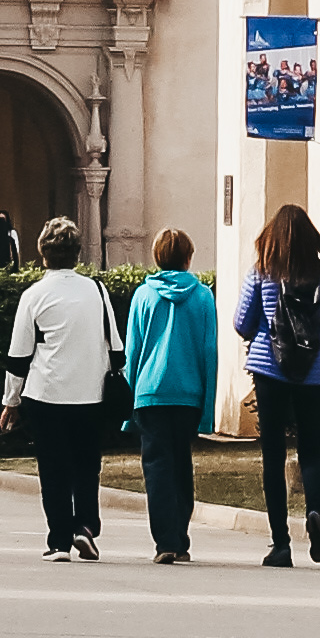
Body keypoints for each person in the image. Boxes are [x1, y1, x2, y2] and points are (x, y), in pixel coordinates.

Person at [0, 214, 119, 562]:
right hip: (91, 393)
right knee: (86, 465)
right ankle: (86, 527)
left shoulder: (34, 295)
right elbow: (117, 349)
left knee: (53, 468)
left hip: (46, 393)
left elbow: (19, 356)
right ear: (77, 253)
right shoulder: (97, 291)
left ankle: (59, 541)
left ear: (43, 253)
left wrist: (10, 401)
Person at [232, 202, 320, 566]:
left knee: (273, 455)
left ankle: (280, 543)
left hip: (269, 371)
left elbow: (241, 322)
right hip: (313, 373)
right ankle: (314, 512)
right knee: (310, 450)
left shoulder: (262, 271)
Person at [125, 225, 216, 565]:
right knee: (181, 464)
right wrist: (207, 408)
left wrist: (128, 402)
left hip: (150, 394)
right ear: (188, 259)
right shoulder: (204, 296)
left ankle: (164, 539)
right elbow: (209, 352)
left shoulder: (143, 296)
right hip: (188, 394)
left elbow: (132, 352)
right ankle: (180, 535)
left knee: (157, 468)